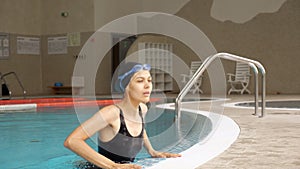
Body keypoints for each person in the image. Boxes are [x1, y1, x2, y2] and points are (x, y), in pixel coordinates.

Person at [64, 62, 181, 169]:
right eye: (140, 81)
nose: (147, 86)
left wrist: (152, 151)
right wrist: (112, 166)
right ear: (126, 87)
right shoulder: (110, 114)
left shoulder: (142, 109)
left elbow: (141, 129)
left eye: (149, 80)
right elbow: (72, 141)